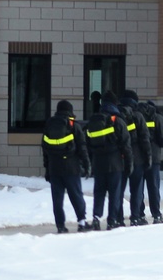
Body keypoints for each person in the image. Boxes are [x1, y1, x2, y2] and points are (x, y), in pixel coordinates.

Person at [42, 100, 91, 233]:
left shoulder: (50, 125)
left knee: (57, 199)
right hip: (71, 167)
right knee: (76, 195)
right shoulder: (73, 125)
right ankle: (81, 222)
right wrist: (86, 164)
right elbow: (82, 147)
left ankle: (60, 225)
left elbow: (45, 148)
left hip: (54, 168)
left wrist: (47, 168)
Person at [85, 91, 132, 230]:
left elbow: (88, 143)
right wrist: (129, 164)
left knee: (99, 193)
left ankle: (96, 218)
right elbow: (126, 145)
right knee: (114, 193)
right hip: (115, 164)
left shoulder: (94, 120)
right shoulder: (117, 121)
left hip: (98, 164)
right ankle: (112, 220)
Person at [119, 91, 153, 225]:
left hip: (120, 159)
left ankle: (118, 218)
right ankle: (135, 217)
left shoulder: (116, 116)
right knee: (136, 190)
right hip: (137, 159)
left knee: (119, 191)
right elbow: (145, 139)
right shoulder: (138, 116)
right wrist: (148, 156)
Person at [138, 99, 163, 223]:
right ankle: (156, 215)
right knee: (154, 187)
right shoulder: (157, 117)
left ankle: (140, 215)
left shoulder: (136, 116)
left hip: (138, 158)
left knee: (138, 189)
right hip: (154, 157)